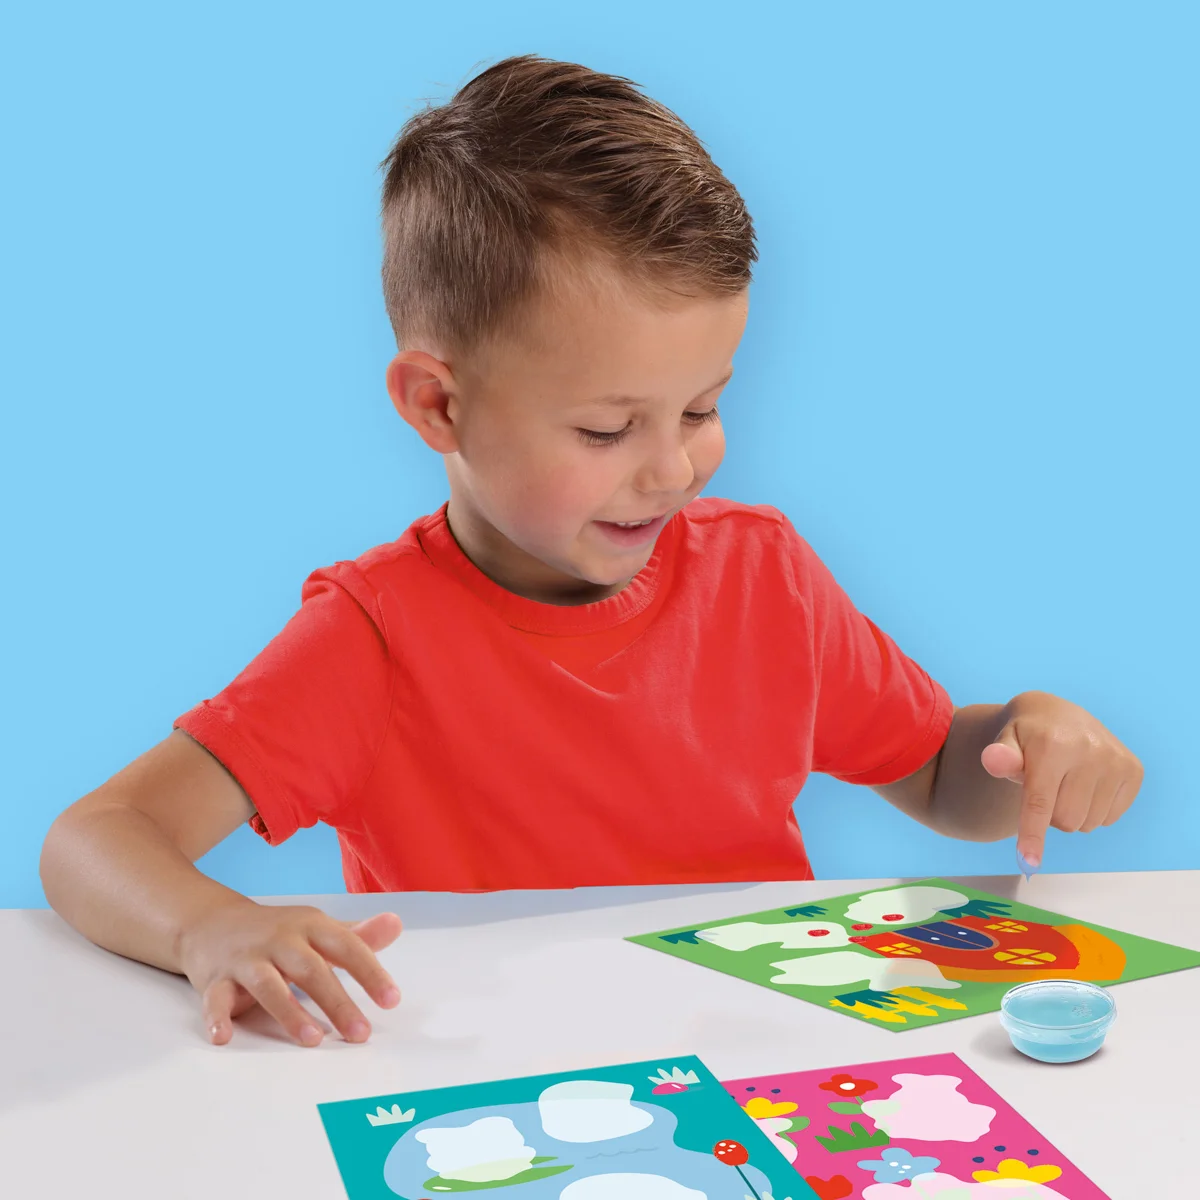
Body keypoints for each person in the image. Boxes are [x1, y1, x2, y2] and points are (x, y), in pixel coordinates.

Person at [40, 55, 1142, 1051]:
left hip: (766, 1063)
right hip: (501, 1082)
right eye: (608, 430)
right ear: (438, 406)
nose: (673, 470)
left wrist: (1030, 743)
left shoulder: (764, 576)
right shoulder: (372, 639)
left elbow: (943, 777)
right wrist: (210, 926)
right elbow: (96, 837)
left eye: (702, 409)